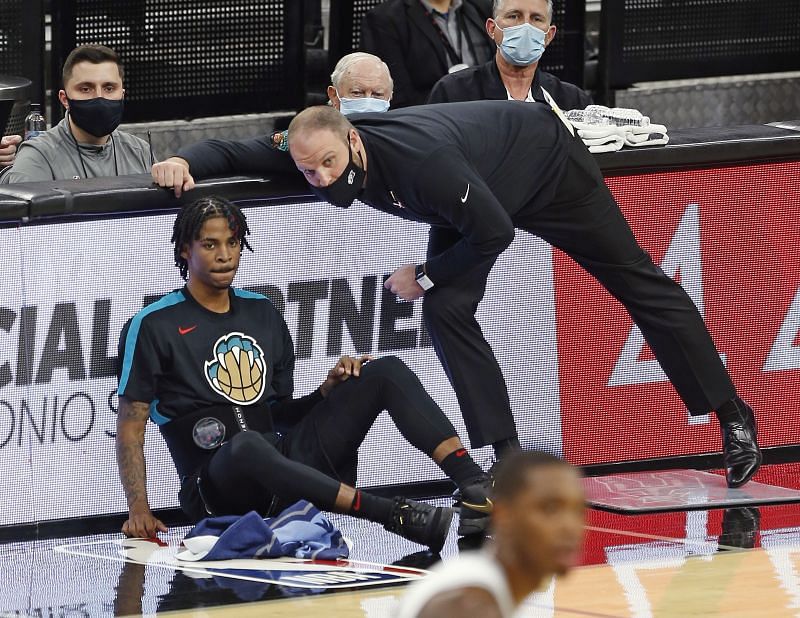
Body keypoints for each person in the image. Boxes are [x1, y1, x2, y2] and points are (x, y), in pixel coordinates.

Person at [284, 103, 761, 487]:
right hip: (480, 193)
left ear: (350, 140)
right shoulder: (314, 141)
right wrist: (202, 168)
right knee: (447, 307)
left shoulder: (420, 163)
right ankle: (507, 456)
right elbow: (242, 150)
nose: (322, 176)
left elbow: (496, 233)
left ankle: (733, 416)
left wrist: (426, 274)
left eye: (329, 163)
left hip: (548, 170)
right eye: (311, 168)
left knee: (640, 283)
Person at [115, 196, 494, 549]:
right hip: (215, 491)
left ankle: (475, 485)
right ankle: (391, 513)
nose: (225, 255)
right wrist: (139, 511)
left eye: (232, 243)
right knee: (248, 446)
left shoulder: (262, 312)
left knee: (382, 371)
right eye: (210, 245)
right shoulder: (153, 323)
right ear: (185, 250)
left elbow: (281, 415)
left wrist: (326, 392)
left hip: (284, 470)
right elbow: (132, 427)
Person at [151, 52, 393, 197]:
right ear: (333, 95)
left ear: (390, 97)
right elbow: (230, 153)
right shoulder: (308, 142)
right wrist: (180, 163)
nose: (368, 102)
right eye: (358, 93)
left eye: (378, 94)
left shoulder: (402, 133)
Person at [397, 451, 585, 618]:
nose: (569, 526)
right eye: (550, 509)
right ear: (504, 516)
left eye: (578, 510)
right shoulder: (470, 606)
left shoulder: (479, 582)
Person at [3, 45, 153, 183]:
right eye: (86, 89)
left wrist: (176, 163)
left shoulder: (139, 152)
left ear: (122, 94)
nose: (99, 97)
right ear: (65, 99)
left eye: (109, 88)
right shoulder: (39, 157)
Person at [427, 0, 592, 110]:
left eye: (536, 19)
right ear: (492, 29)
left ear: (549, 36)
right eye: (514, 16)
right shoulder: (453, 94)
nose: (525, 27)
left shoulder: (572, 102)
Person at [360, 0, 495, 108]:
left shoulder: (483, 7)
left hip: (489, 111)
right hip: (431, 121)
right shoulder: (386, 19)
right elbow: (398, 96)